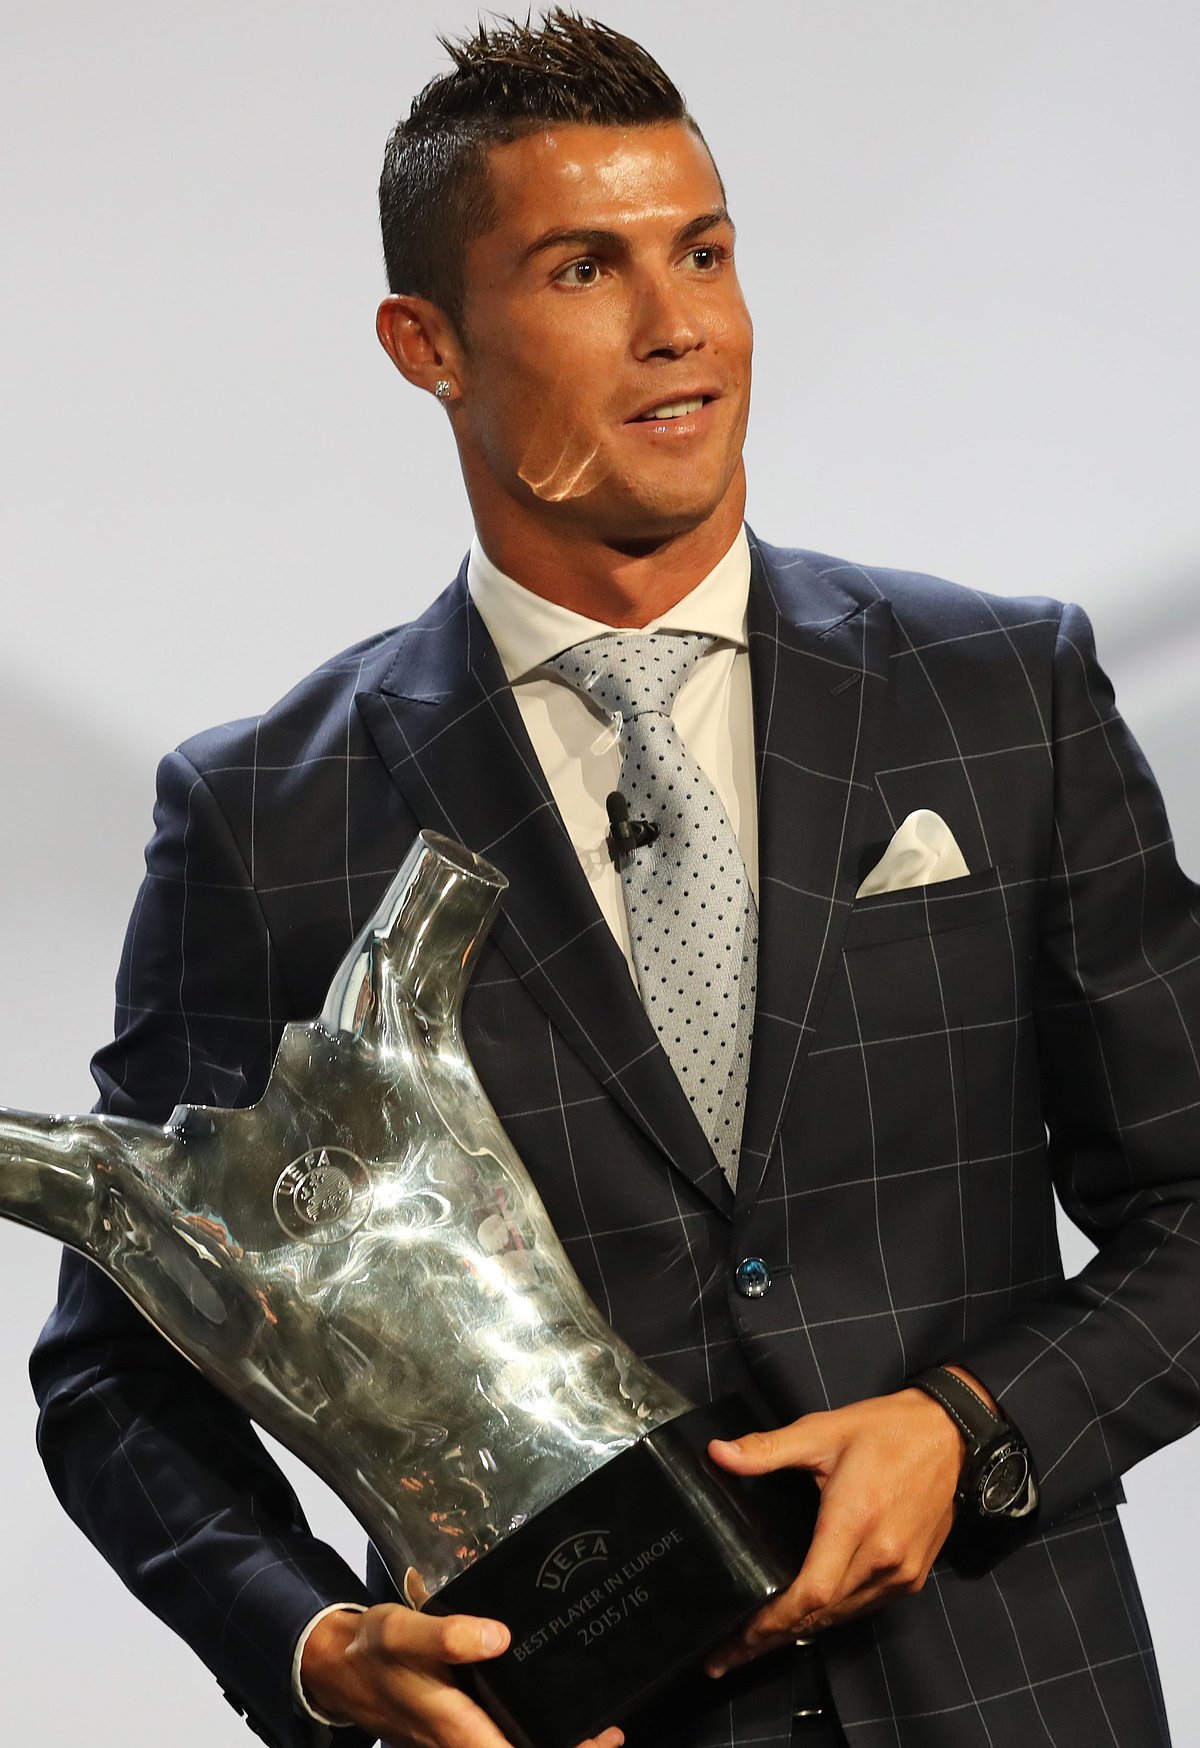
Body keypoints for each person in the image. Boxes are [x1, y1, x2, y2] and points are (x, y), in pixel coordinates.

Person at [29, 12, 1197, 1748]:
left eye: (705, 254)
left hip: (1016, 1697)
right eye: (586, 267)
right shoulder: (265, 810)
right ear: (424, 343)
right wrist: (313, 1649)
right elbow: (119, 1358)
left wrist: (970, 1425)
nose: (682, 328)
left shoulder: (997, 693)